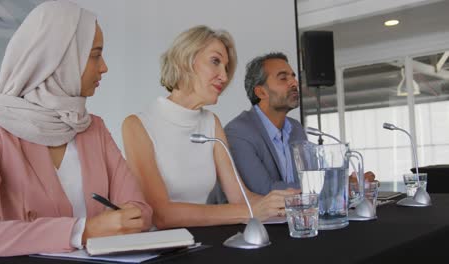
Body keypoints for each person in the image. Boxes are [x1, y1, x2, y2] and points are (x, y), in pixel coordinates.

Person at [0, 1, 152, 258]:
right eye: (95, 54)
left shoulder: (93, 127)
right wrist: (82, 230)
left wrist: (132, 217)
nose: (104, 66)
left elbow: (138, 207)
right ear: (57, 58)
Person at [122, 26, 297, 229]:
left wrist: (288, 203)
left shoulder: (211, 122)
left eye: (226, 67)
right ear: (185, 60)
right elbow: (161, 214)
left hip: (201, 242)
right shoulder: (137, 125)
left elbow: (240, 198)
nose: (224, 76)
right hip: (160, 250)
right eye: (215, 61)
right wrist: (251, 211)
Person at [223, 52, 375, 196]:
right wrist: (338, 184)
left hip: (290, 219)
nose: (294, 83)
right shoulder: (238, 132)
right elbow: (264, 191)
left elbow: (313, 178)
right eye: (283, 78)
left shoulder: (295, 128)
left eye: (293, 77)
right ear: (261, 92)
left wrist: (350, 181)